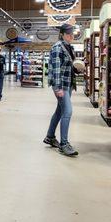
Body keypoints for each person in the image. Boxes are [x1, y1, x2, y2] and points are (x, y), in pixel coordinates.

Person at [43, 23, 79, 157]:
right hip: (61, 85)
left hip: (68, 83)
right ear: (62, 34)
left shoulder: (69, 47)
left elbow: (70, 65)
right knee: (68, 112)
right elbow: (56, 70)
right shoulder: (57, 48)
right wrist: (57, 88)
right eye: (69, 34)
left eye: (72, 34)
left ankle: (50, 136)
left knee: (59, 111)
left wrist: (76, 68)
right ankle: (64, 144)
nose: (71, 36)